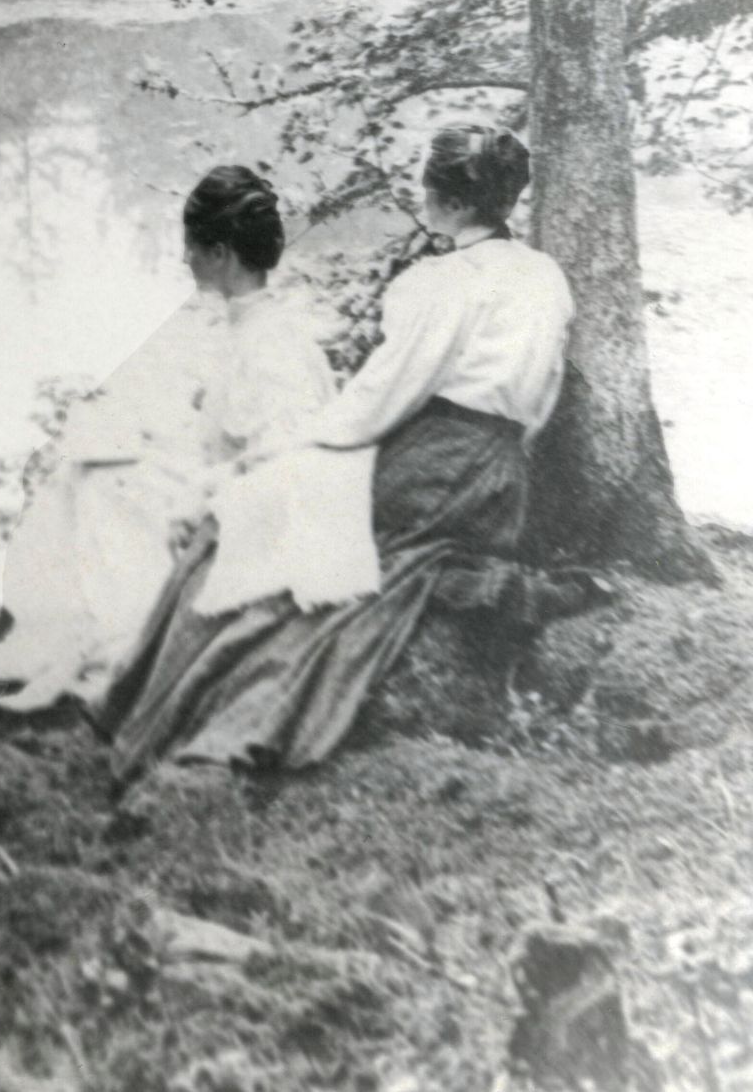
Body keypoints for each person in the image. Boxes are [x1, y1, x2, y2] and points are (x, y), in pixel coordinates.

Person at [96, 123, 595, 782]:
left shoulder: (446, 281)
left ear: (450, 201)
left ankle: (158, 704)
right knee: (283, 516)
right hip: (502, 477)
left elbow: (385, 394)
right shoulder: (544, 276)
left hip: (433, 467)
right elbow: (543, 396)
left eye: (428, 187)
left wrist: (299, 447)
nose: (423, 196)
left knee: (253, 514)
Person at [0, 166, 335, 720]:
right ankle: (39, 641)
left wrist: (199, 495)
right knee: (91, 469)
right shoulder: (253, 327)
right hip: (226, 497)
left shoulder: (271, 346)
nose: (184, 259)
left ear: (220, 253)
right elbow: (231, 434)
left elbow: (284, 462)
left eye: (192, 247)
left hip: (248, 526)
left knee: (107, 494)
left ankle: (81, 648)